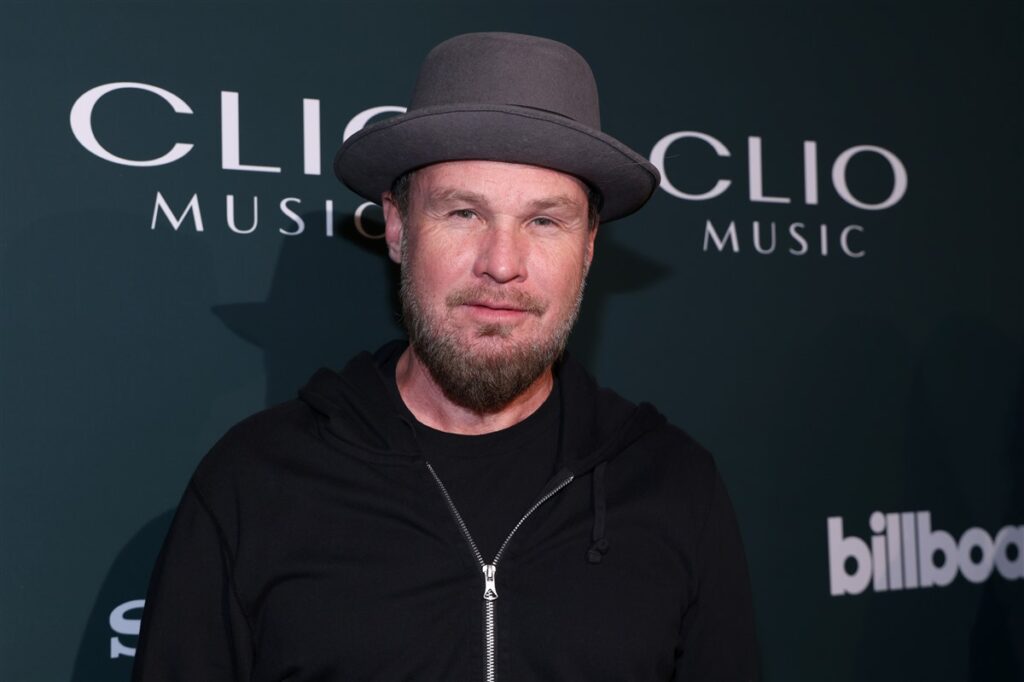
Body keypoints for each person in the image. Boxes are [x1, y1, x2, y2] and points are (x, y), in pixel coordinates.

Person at [133, 32, 758, 681]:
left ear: (590, 246)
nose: (502, 264)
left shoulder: (673, 486)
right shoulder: (252, 485)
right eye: (463, 213)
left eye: (545, 221)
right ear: (397, 227)